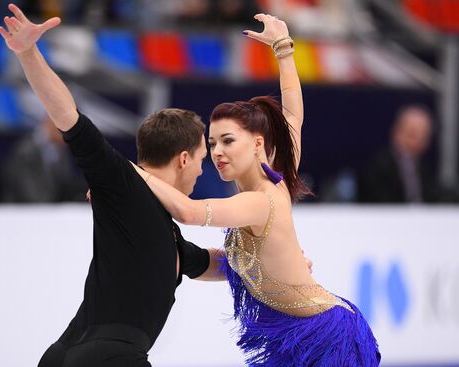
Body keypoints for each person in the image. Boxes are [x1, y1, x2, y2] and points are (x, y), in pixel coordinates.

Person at [133, 14, 381, 366]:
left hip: (325, 339)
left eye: (228, 141)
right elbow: (293, 113)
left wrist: (129, 175)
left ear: (257, 143)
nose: (217, 151)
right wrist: (283, 50)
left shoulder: (259, 200)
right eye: (212, 142)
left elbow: (187, 211)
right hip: (294, 335)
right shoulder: (276, 176)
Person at [0, 4, 223, 366]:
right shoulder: (123, 184)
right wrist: (28, 53)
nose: (201, 170)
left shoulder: (168, 235)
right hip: (108, 358)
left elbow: (209, 264)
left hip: (69, 356)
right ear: (183, 158)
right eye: (201, 158)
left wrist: (271, 266)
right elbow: (69, 119)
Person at [357, 105, 440, 203]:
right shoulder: (377, 167)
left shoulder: (426, 166)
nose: (417, 143)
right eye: (412, 135)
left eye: (423, 138)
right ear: (397, 133)